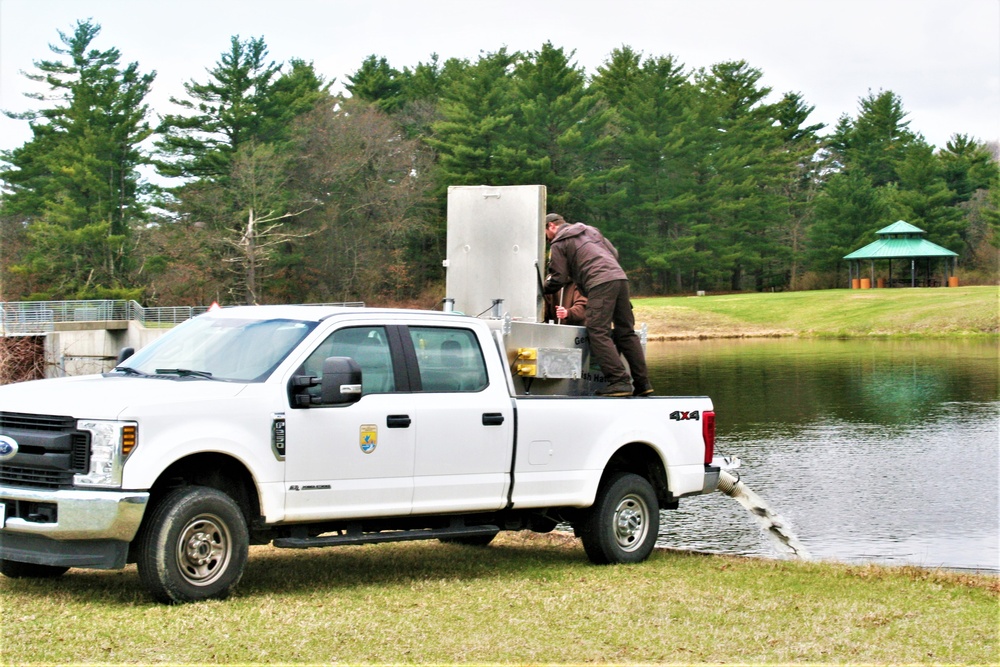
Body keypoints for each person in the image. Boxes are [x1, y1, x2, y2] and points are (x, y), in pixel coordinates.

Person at [542, 213, 652, 397]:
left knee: (597, 330)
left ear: (551, 225)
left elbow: (558, 276)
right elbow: (613, 253)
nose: (547, 239)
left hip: (599, 283)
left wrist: (542, 289)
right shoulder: (591, 230)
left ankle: (619, 382)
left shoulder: (559, 241)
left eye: (546, 233)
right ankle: (643, 383)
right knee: (626, 332)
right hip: (620, 278)